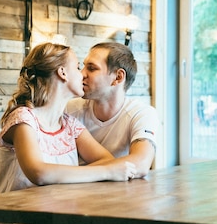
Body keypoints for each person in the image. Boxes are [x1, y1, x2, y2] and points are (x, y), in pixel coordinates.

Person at [0, 42, 136, 224]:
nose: (83, 74)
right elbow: (39, 173)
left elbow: (105, 159)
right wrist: (108, 171)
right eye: (77, 67)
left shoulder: (69, 125)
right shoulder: (23, 119)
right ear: (62, 73)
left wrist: (107, 168)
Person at [66, 42, 159, 178]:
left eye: (91, 68)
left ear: (118, 77)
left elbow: (141, 163)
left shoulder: (142, 113)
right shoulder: (69, 110)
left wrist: (66, 174)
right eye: (82, 67)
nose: (81, 74)